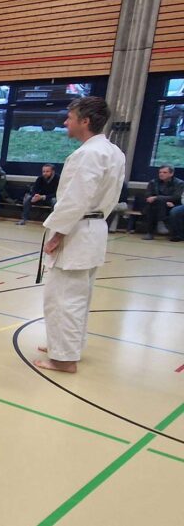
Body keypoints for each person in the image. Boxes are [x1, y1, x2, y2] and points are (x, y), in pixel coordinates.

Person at [35, 97, 125, 374]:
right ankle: (66, 346)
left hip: (76, 230)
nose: (65, 122)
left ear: (85, 121)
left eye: (70, 117)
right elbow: (106, 198)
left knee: (63, 298)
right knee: (78, 296)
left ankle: (64, 359)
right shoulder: (113, 151)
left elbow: (76, 199)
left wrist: (57, 235)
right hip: (93, 227)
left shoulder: (88, 154)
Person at [137, 165, 183, 240]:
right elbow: (148, 195)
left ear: (171, 174)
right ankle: (160, 222)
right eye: (160, 172)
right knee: (153, 205)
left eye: (164, 172)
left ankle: (150, 232)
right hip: (158, 205)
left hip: (173, 205)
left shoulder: (179, 183)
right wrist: (160, 200)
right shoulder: (153, 182)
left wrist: (157, 197)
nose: (161, 174)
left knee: (155, 203)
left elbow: (176, 197)